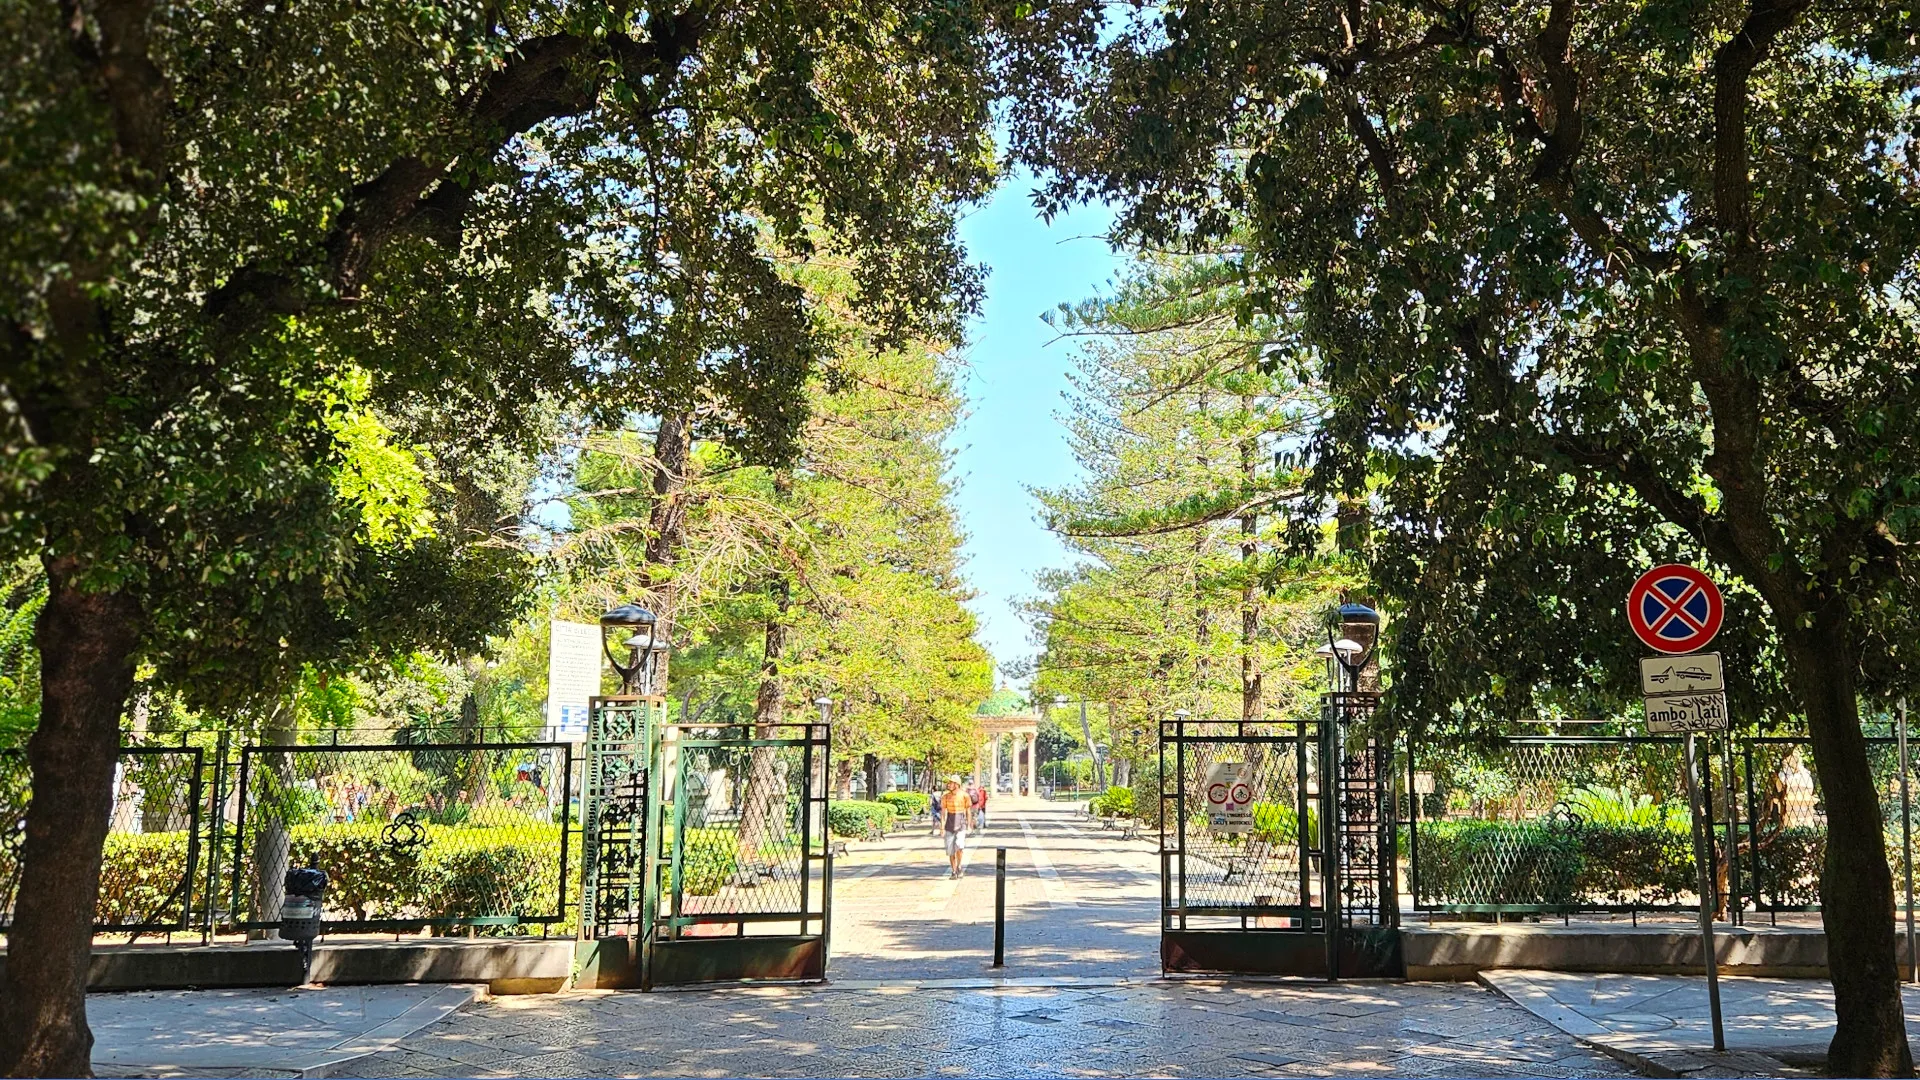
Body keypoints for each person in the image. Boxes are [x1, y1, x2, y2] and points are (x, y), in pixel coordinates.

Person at [939, 776, 970, 878]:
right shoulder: (945, 797)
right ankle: (953, 870)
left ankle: (959, 866)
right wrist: (942, 828)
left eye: (951, 783)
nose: (949, 784)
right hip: (949, 823)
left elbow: (968, 811)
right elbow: (943, 813)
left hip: (961, 823)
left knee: (959, 846)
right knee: (950, 849)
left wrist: (969, 825)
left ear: (957, 784)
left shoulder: (964, 796)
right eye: (949, 783)